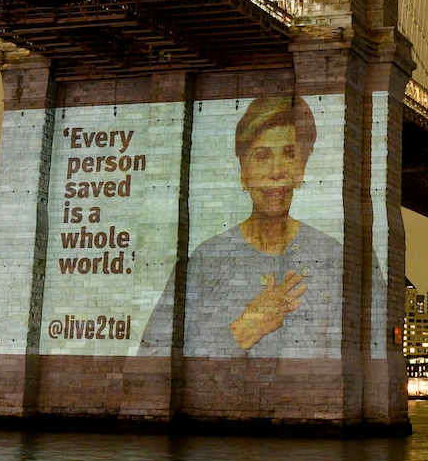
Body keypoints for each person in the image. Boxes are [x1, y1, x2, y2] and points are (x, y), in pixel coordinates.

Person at [139, 95, 341, 357]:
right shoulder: (206, 260)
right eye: (262, 156)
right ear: (243, 173)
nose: (277, 171)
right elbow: (150, 359)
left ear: (301, 170)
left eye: (289, 154)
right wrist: (242, 331)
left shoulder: (336, 260)